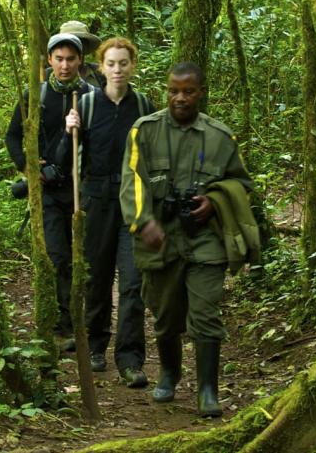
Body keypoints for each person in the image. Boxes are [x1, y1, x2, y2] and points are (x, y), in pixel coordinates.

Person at [120, 62, 253, 417]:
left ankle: (208, 390)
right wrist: (143, 222)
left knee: (206, 314)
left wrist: (215, 200)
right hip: (161, 239)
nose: (180, 98)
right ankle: (169, 373)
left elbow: (242, 184)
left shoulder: (219, 137)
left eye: (188, 91)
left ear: (200, 93)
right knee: (165, 316)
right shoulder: (144, 130)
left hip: (204, 239)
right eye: (173, 91)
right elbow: (132, 180)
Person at [55, 37, 155, 388]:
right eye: (110, 63)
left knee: (131, 282)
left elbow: (155, 156)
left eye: (123, 63)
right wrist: (70, 131)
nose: (117, 69)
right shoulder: (86, 104)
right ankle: (95, 346)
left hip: (132, 200)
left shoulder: (143, 106)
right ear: (100, 66)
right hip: (96, 199)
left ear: (132, 65)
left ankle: (130, 359)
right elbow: (64, 156)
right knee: (96, 277)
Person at [5, 33, 95, 348]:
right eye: (59, 59)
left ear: (81, 61)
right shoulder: (35, 95)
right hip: (48, 190)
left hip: (82, 189)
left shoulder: (91, 96)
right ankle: (63, 323)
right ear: (48, 61)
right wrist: (29, 167)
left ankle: (87, 321)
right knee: (57, 256)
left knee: (84, 257)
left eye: (71, 59)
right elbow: (13, 137)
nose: (65, 65)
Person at [56, 20, 106, 89]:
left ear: (85, 46)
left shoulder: (100, 73)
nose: (75, 47)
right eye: (69, 43)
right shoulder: (49, 76)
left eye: (79, 42)